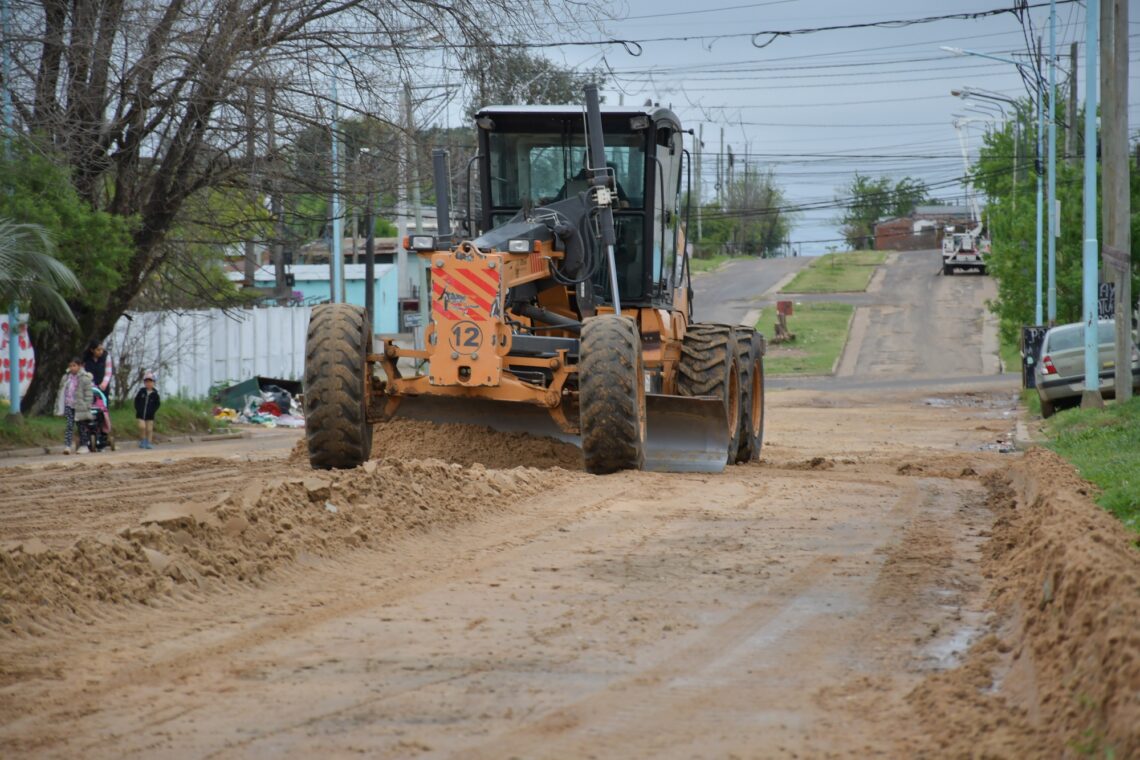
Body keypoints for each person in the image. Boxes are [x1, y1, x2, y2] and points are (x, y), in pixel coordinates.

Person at [54, 357, 94, 455]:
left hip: (80, 406)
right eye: (70, 366)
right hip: (69, 404)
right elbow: (61, 391)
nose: (72, 368)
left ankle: (84, 445)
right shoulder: (66, 378)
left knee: (81, 425)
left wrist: (87, 404)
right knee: (69, 425)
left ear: (79, 366)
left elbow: (88, 393)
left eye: (74, 365)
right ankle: (67, 445)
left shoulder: (85, 378)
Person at [134, 371, 161, 449]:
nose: (148, 384)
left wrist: (153, 411)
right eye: (146, 382)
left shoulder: (155, 394)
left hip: (150, 415)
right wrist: (138, 409)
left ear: (153, 383)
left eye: (150, 382)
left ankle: (149, 442)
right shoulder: (141, 392)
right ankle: (143, 440)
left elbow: (157, 404)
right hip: (140, 414)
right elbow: (136, 401)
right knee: (142, 427)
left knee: (149, 429)